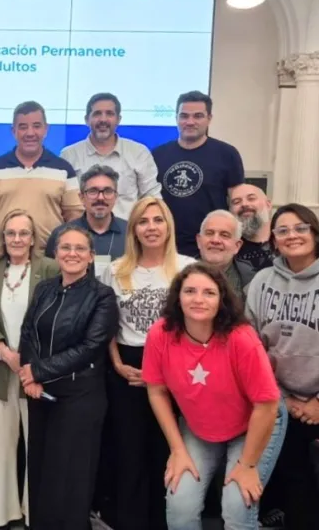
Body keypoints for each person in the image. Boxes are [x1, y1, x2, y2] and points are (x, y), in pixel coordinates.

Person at [143, 263, 286, 530]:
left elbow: (266, 405)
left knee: (237, 504)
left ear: (222, 300)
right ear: (177, 297)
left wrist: (248, 465)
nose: (198, 299)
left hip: (254, 424)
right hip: (200, 426)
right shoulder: (160, 334)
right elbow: (156, 390)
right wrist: (177, 450)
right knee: (180, 503)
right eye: (190, 291)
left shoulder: (241, 338)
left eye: (209, 293)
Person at [100, 197, 195, 530]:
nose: (151, 227)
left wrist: (166, 373)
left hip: (173, 367)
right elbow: (107, 325)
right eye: (143, 221)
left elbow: (196, 324)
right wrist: (117, 363)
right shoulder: (116, 269)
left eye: (158, 220)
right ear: (134, 230)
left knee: (164, 449)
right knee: (129, 451)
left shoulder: (186, 268)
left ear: (168, 226)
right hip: (128, 367)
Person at [19, 225, 119, 530]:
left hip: (79, 398)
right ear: (56, 253)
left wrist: (37, 371)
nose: (72, 254)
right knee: (41, 473)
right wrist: (30, 377)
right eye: (65, 247)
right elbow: (28, 332)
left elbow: (90, 347)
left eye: (79, 248)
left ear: (91, 256)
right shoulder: (44, 289)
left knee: (70, 479)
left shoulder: (102, 296)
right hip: (40, 395)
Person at [0, 209, 60, 527]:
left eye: (23, 233)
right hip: (1, 370)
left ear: (33, 238)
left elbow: (57, 318)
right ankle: (1, 513)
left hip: (37, 373)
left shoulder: (50, 269)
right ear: (2, 238)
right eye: (11, 233)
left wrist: (31, 360)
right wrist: (1, 349)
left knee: (37, 445)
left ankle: (34, 511)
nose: (17, 239)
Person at [246, 203, 319, 530]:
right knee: (293, 480)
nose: (292, 235)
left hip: (317, 401)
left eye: (301, 228)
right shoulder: (262, 280)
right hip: (278, 400)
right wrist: (281, 399)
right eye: (283, 230)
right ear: (273, 239)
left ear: (314, 233)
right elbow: (251, 348)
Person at [0, 101, 84, 268]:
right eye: (23, 127)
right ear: (13, 131)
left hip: (51, 264)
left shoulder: (64, 169)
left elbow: (74, 217)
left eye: (36, 126)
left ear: (46, 129)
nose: (30, 133)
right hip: (3, 262)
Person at [153, 91, 244, 257]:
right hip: (165, 247)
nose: (190, 122)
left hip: (210, 248)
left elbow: (236, 202)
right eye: (184, 116)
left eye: (198, 116)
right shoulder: (158, 155)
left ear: (209, 118)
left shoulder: (227, 154)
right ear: (176, 118)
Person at [60, 92, 161, 218]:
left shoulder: (138, 153)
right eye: (97, 113)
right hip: (81, 230)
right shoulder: (69, 155)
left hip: (127, 229)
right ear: (87, 119)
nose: (103, 119)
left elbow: (152, 199)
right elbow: (62, 203)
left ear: (118, 119)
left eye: (109, 114)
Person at [45, 164, 128, 275]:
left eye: (107, 191)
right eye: (93, 191)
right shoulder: (61, 234)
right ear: (81, 197)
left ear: (115, 197)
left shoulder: (131, 232)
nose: (100, 197)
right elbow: (49, 274)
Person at [196, 210, 255, 300]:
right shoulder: (179, 274)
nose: (215, 240)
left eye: (224, 235)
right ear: (199, 241)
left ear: (237, 246)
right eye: (209, 233)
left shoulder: (252, 282)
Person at [228, 183, 274, 272]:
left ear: (268, 205)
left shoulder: (284, 242)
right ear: (231, 211)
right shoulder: (228, 250)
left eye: (251, 198)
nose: (244, 204)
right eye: (237, 202)